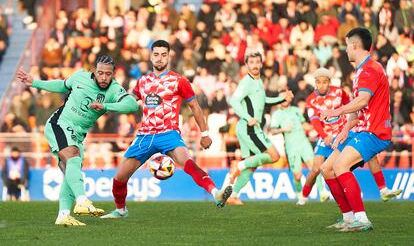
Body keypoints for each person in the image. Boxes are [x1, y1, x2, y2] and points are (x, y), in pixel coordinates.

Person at [101, 40, 232, 219]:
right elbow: (129, 103)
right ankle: (120, 211)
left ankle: (216, 192)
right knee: (119, 178)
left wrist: (205, 133)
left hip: (169, 133)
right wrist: (107, 105)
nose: (159, 58)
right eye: (156, 54)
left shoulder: (178, 80)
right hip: (145, 136)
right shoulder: (142, 81)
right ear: (151, 56)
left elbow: (194, 106)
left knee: (188, 162)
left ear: (169, 56)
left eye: (163, 54)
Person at [17, 55, 139, 226]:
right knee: (73, 156)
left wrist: (106, 106)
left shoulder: (113, 90)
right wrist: (35, 82)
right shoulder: (80, 77)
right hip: (59, 124)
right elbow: (61, 85)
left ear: (113, 74)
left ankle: (63, 215)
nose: (104, 78)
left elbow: (132, 105)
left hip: (78, 135)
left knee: (71, 173)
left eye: (108, 74)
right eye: (100, 73)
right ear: (93, 71)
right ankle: (82, 200)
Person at [319, 28, 393, 232]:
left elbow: (362, 101)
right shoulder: (362, 70)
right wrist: (345, 129)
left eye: (346, 45)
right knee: (327, 168)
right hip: (360, 129)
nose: (345, 50)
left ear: (354, 45)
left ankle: (362, 219)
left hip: (374, 131)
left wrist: (337, 110)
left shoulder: (370, 69)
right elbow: (359, 106)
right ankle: (349, 218)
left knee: (341, 165)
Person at [300, 68, 402, 205]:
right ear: (315, 83)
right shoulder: (311, 100)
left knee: (368, 156)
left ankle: (383, 190)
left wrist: (349, 125)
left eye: (324, 82)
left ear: (329, 82)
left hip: (342, 133)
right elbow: (315, 122)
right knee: (316, 169)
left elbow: (352, 106)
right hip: (326, 137)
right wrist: (324, 136)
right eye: (318, 82)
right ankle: (303, 197)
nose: (321, 85)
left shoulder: (339, 92)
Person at [226, 52, 293, 205]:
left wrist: (282, 98)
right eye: (252, 62)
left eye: (257, 62)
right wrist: (248, 117)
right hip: (249, 128)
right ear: (247, 65)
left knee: (252, 164)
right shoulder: (246, 82)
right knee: (274, 156)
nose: (255, 65)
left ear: (261, 64)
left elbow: (263, 101)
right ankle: (238, 165)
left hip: (248, 128)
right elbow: (234, 101)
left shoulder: (258, 81)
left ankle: (233, 195)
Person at [269, 90, 329, 205]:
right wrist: (283, 129)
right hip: (291, 147)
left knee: (315, 168)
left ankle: (322, 193)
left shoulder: (296, 111)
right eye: (282, 97)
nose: (284, 99)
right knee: (297, 175)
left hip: (304, 143)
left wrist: (316, 126)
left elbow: (304, 125)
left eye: (286, 97)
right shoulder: (276, 114)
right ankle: (300, 195)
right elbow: (272, 130)